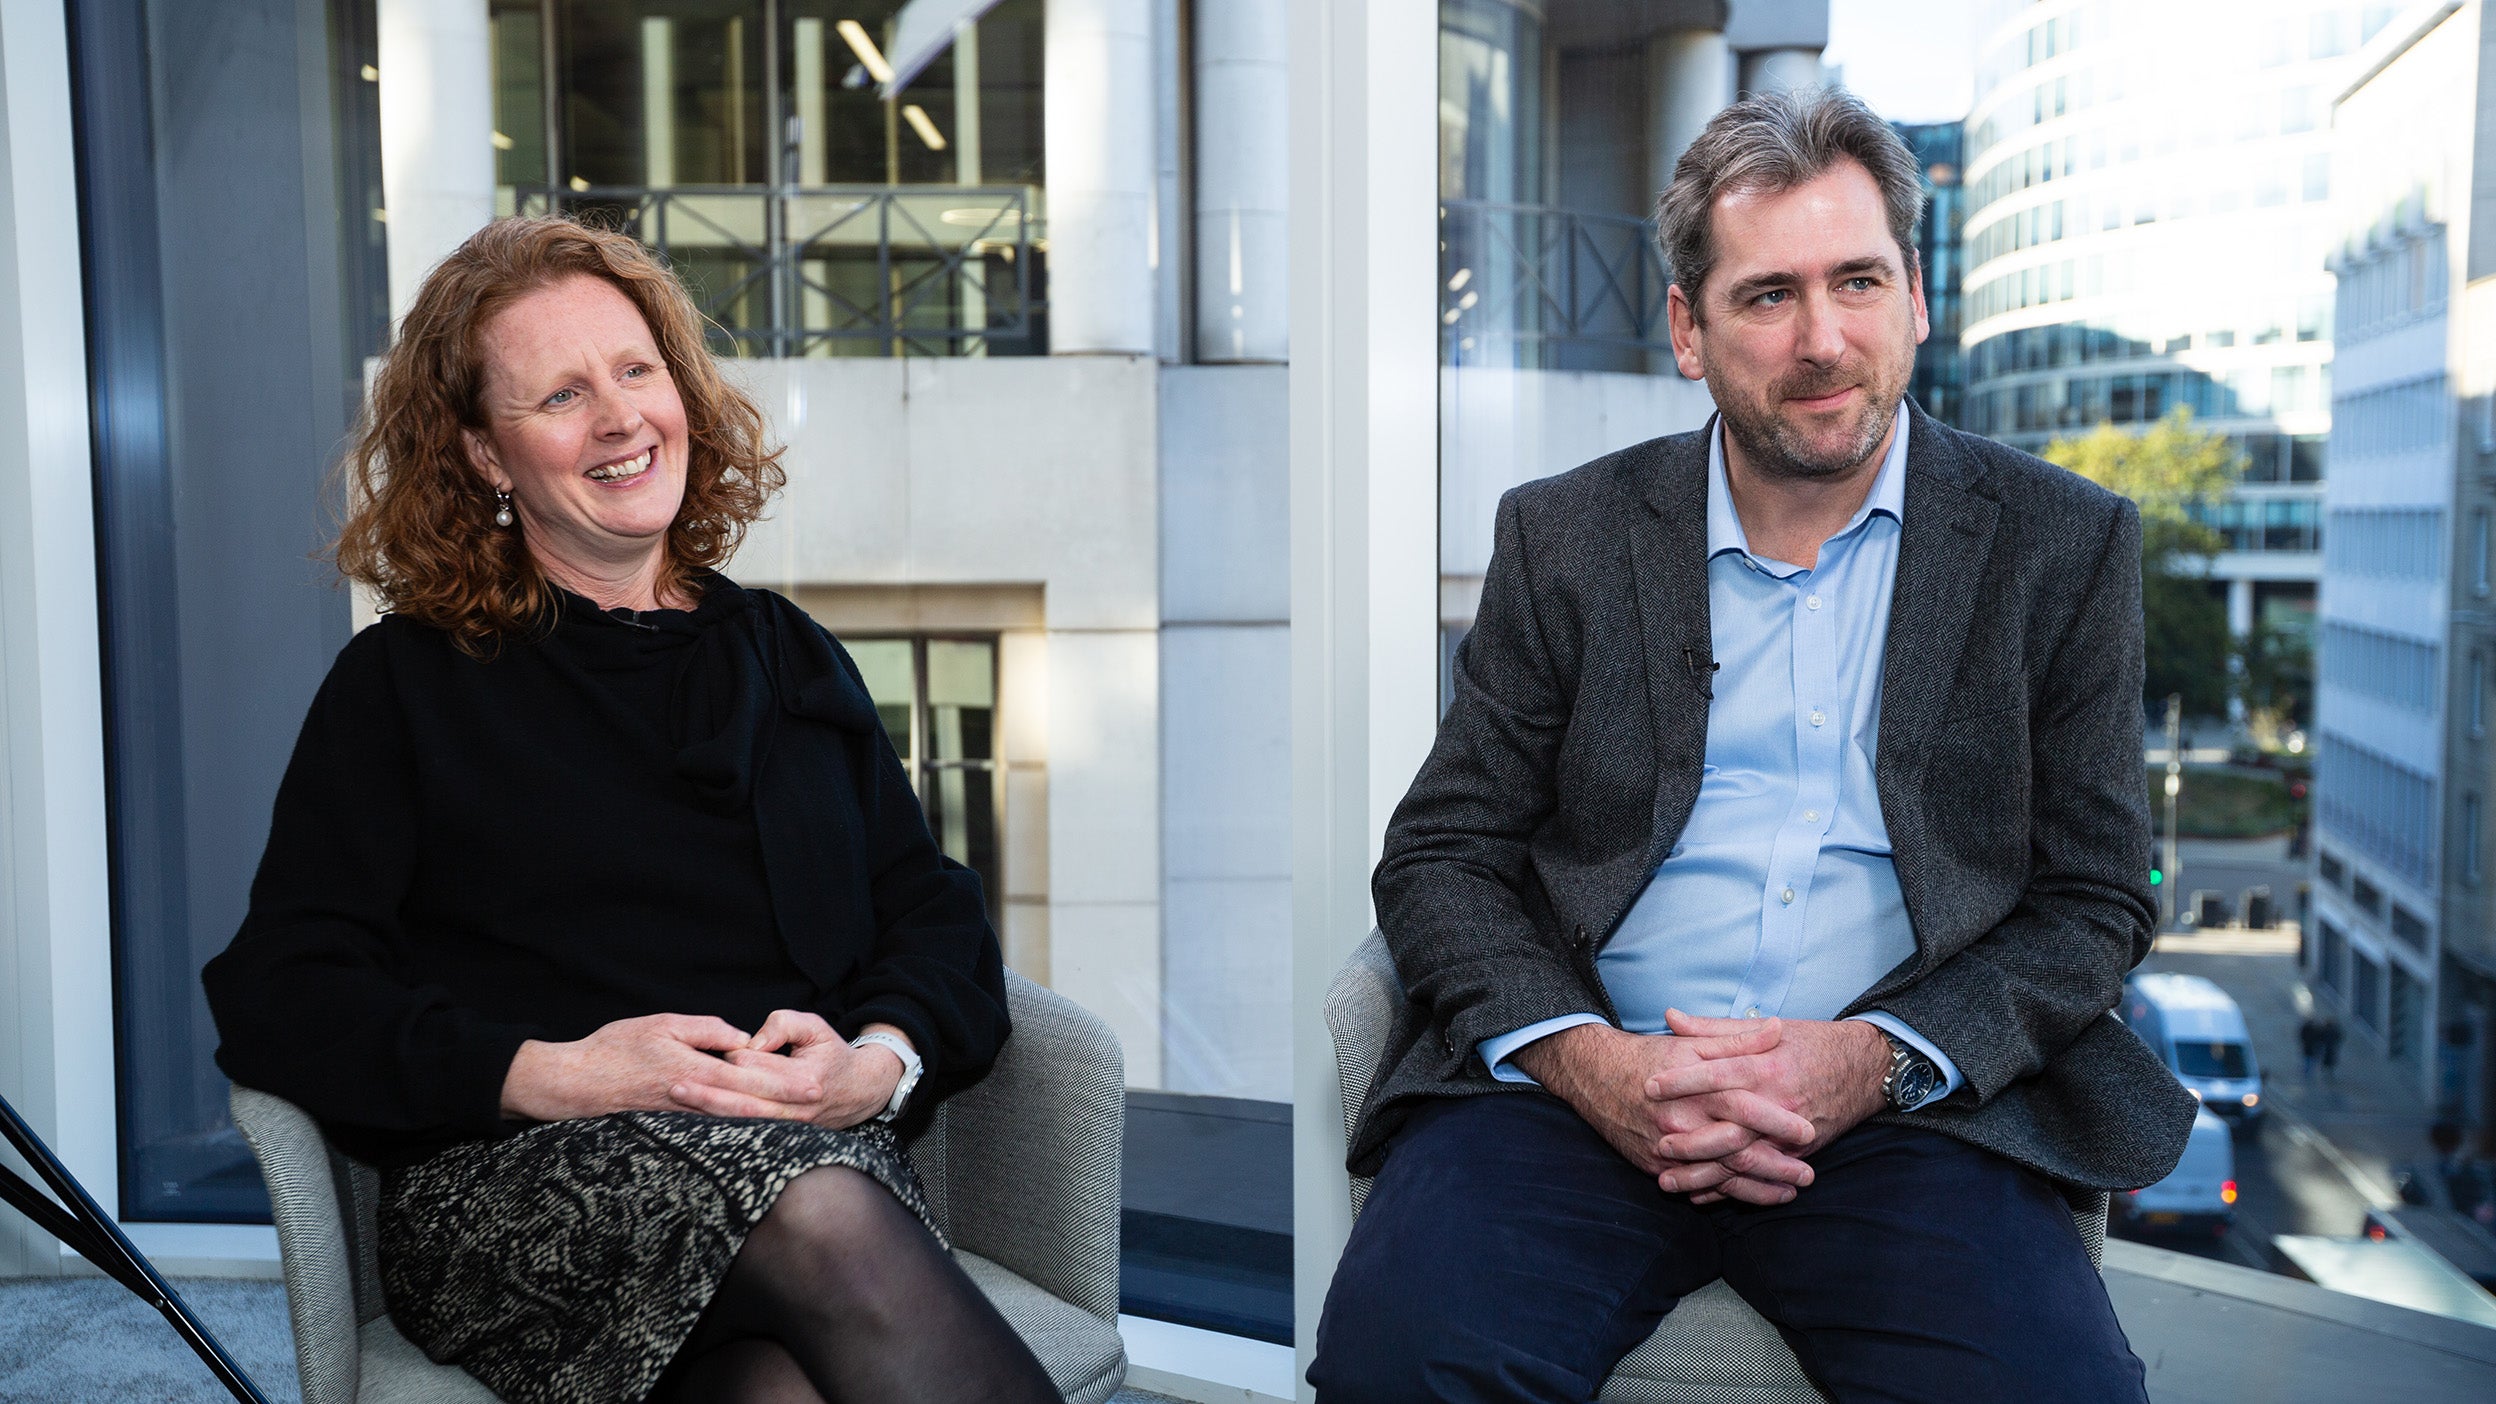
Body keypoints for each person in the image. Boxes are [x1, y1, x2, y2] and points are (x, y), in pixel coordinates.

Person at [1310, 89, 2196, 1403]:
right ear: (1689, 327)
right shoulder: (1568, 537)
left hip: (1913, 1112)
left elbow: (2094, 896)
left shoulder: (2060, 544)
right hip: (1579, 1092)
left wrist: (1871, 1059)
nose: (1825, 340)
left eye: (1859, 281)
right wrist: (1594, 1064)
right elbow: (1443, 855)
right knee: (1402, 1368)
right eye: (1769, 295)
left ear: (1917, 300)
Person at [204, 217, 1060, 1404]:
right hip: (525, 1186)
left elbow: (931, 907)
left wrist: (877, 1061)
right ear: (487, 458)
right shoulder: (405, 683)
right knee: (822, 1222)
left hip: (813, 1151)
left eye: (636, 371)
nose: (619, 418)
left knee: (783, 1386)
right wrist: (552, 1072)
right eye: (561, 394)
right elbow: (281, 988)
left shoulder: (788, 655)